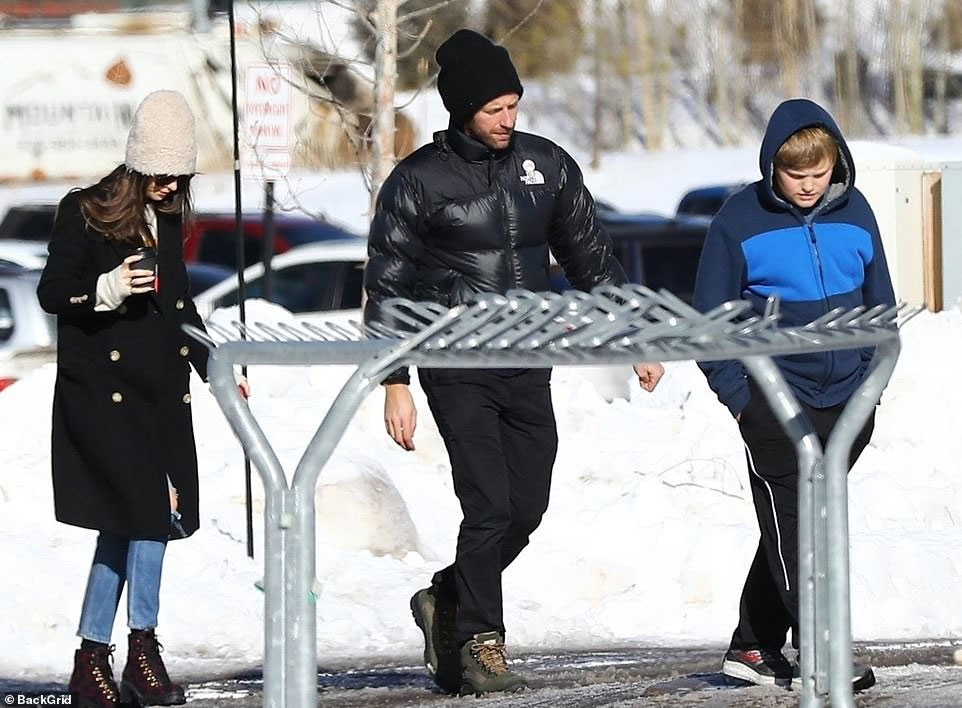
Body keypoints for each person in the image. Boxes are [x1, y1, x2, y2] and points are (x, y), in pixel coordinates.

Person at [363, 29, 663, 696]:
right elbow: (387, 283)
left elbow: (591, 259)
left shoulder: (545, 166)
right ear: (462, 108)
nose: (507, 119)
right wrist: (393, 380)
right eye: (494, 109)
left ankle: (446, 596)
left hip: (527, 360)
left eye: (513, 106)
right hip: (455, 365)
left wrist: (634, 335)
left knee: (526, 506)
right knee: (488, 507)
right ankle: (480, 644)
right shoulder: (418, 180)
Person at [692, 98, 895, 690]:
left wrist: (871, 384)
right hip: (775, 401)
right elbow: (710, 322)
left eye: (819, 173)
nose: (808, 186)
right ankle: (821, 650)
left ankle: (752, 646)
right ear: (771, 167)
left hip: (848, 398)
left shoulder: (857, 213)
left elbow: (881, 305)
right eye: (794, 174)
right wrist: (742, 397)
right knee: (798, 527)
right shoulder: (738, 220)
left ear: (837, 164)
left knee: (803, 524)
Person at [37, 90, 218, 708]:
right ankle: (142, 649)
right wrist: (106, 289)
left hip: (159, 397)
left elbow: (179, 307)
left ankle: (91, 660)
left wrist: (215, 365)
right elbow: (53, 293)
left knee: (128, 526)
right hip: (103, 400)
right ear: (137, 164)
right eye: (160, 174)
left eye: (180, 176)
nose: (170, 186)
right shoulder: (84, 210)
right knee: (149, 516)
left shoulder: (167, 218)